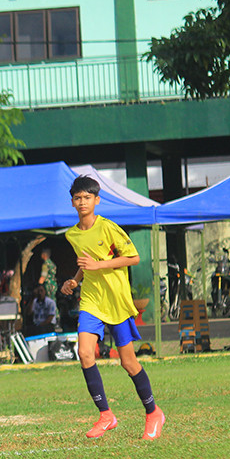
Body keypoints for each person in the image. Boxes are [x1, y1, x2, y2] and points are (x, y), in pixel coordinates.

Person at [60, 176, 165, 441]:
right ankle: (106, 415)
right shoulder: (72, 234)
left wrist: (99, 265)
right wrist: (75, 279)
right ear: (72, 202)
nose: (82, 202)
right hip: (91, 301)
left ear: (96, 200)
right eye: (77, 197)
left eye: (87, 197)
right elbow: (86, 264)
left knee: (128, 362)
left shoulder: (108, 228)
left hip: (116, 301)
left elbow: (134, 257)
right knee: (85, 353)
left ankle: (153, 413)